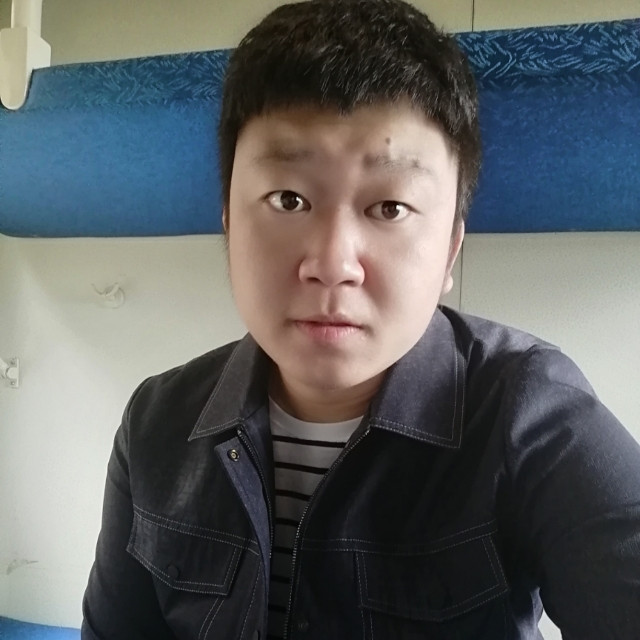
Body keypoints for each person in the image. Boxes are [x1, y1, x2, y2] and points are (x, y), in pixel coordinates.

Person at [81, 0, 640, 638]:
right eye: (288, 198)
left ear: (450, 250)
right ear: (229, 222)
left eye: (390, 208)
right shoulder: (155, 424)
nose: (332, 264)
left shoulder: (530, 415)